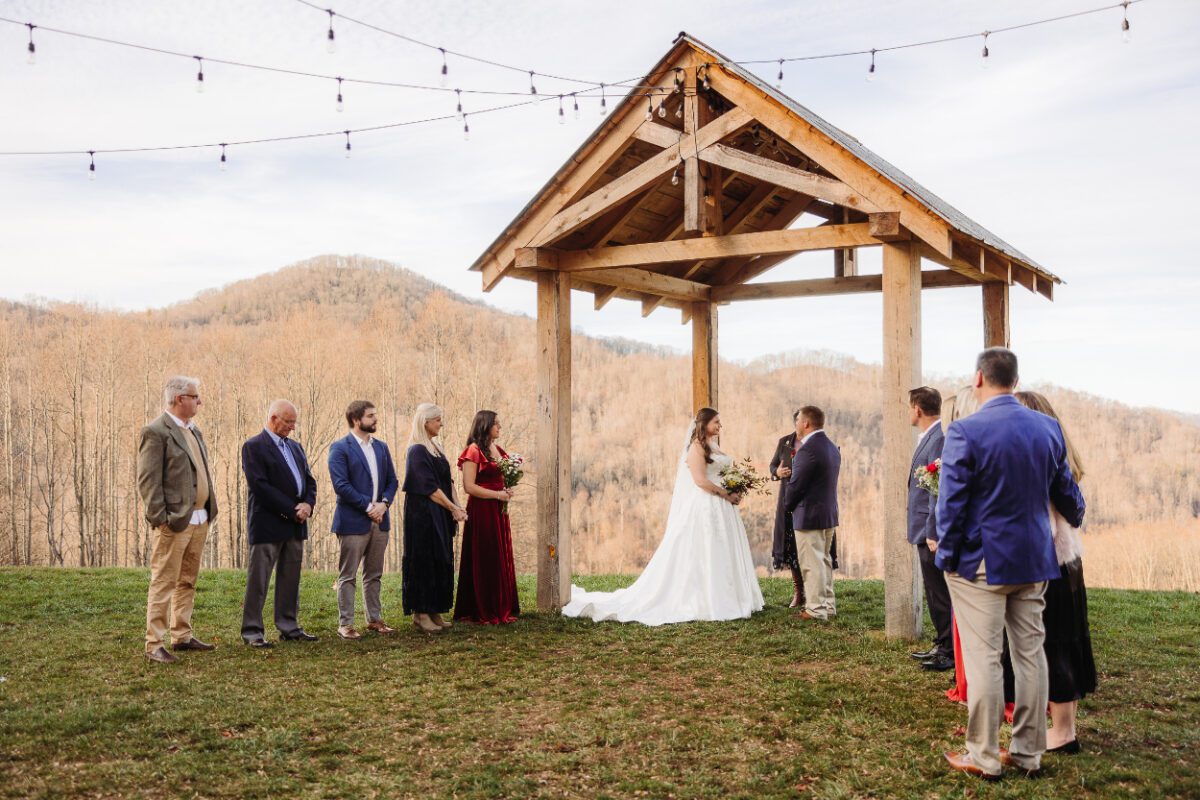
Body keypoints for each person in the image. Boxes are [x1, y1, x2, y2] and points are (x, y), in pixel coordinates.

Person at [936, 348, 1086, 780]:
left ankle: (983, 756)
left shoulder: (965, 430)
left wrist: (948, 557)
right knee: (1030, 654)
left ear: (978, 378)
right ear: (1015, 382)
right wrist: (1075, 516)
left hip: (980, 562)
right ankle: (1027, 752)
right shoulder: (1047, 427)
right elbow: (1066, 492)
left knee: (984, 658)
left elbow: (952, 506)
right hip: (1036, 559)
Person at [562, 408, 764, 625]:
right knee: (706, 549)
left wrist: (736, 488)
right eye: (716, 422)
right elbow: (700, 481)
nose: (719, 426)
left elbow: (721, 474)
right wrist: (725, 493)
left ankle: (731, 595)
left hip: (723, 507)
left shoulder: (714, 446)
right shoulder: (696, 448)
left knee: (723, 549)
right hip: (707, 505)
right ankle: (708, 599)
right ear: (704, 424)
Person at [1003, 391, 1096, 754]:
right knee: (1062, 642)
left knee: (1054, 644)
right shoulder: (1058, 457)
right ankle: (1062, 726)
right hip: (1065, 560)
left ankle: (1063, 731)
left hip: (1049, 561)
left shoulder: (1042, 461)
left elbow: (1071, 512)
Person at [136, 375, 219, 664]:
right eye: (195, 396)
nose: (200, 401)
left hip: (199, 520)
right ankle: (153, 644)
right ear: (179, 399)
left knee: (188, 580)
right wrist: (160, 519)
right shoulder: (156, 431)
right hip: (173, 523)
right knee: (164, 582)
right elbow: (148, 481)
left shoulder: (193, 430)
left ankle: (181, 634)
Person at [239, 400, 319, 648]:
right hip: (268, 524)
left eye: (294, 422)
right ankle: (252, 631)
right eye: (288, 422)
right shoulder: (254, 447)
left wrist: (308, 504)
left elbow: (309, 481)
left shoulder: (296, 447)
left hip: (296, 525)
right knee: (259, 579)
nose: (292, 428)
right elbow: (260, 486)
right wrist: (291, 510)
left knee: (290, 578)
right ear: (274, 418)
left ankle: (289, 626)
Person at [328, 400, 400, 640]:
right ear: (356, 420)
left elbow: (393, 480)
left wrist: (384, 504)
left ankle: (375, 619)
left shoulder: (381, 447)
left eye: (374, 415)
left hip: (381, 520)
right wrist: (369, 507)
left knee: (374, 573)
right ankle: (346, 623)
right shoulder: (340, 448)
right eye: (370, 416)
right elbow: (341, 485)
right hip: (353, 521)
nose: (375, 419)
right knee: (347, 575)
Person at [402, 403, 467, 634]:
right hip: (423, 515)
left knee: (440, 558)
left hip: (439, 512)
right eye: (437, 419)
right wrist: (452, 508)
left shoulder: (435, 447)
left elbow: (447, 482)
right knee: (424, 560)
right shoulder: (417, 450)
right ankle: (421, 613)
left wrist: (458, 506)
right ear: (425, 422)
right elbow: (428, 488)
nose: (441, 423)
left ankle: (435, 609)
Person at [454, 410, 521, 624]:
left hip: (498, 510)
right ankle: (483, 606)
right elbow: (469, 487)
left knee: (498, 553)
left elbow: (501, 476)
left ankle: (501, 604)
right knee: (486, 553)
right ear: (485, 426)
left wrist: (507, 490)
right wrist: (497, 494)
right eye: (496, 424)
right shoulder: (473, 451)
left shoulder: (497, 448)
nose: (499, 428)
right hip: (482, 510)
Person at [906, 387, 953, 672]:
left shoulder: (939, 439)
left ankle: (947, 650)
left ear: (918, 410)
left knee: (939, 592)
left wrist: (931, 529)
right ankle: (941, 642)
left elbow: (937, 489)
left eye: (909, 407)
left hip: (930, 530)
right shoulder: (931, 437)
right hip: (924, 527)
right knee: (933, 591)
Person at [785, 406, 841, 622]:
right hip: (828, 513)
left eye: (798, 420)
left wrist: (787, 506)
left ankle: (815, 609)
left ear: (806, 423)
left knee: (811, 563)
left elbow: (796, 486)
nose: (796, 425)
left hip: (809, 515)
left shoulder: (807, 450)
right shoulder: (830, 447)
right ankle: (827, 605)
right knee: (824, 560)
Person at [770, 415, 803, 608]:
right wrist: (777, 473)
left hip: (807, 501)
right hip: (787, 500)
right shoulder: (785, 442)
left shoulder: (813, 442)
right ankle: (799, 592)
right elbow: (773, 465)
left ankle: (813, 590)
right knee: (790, 545)